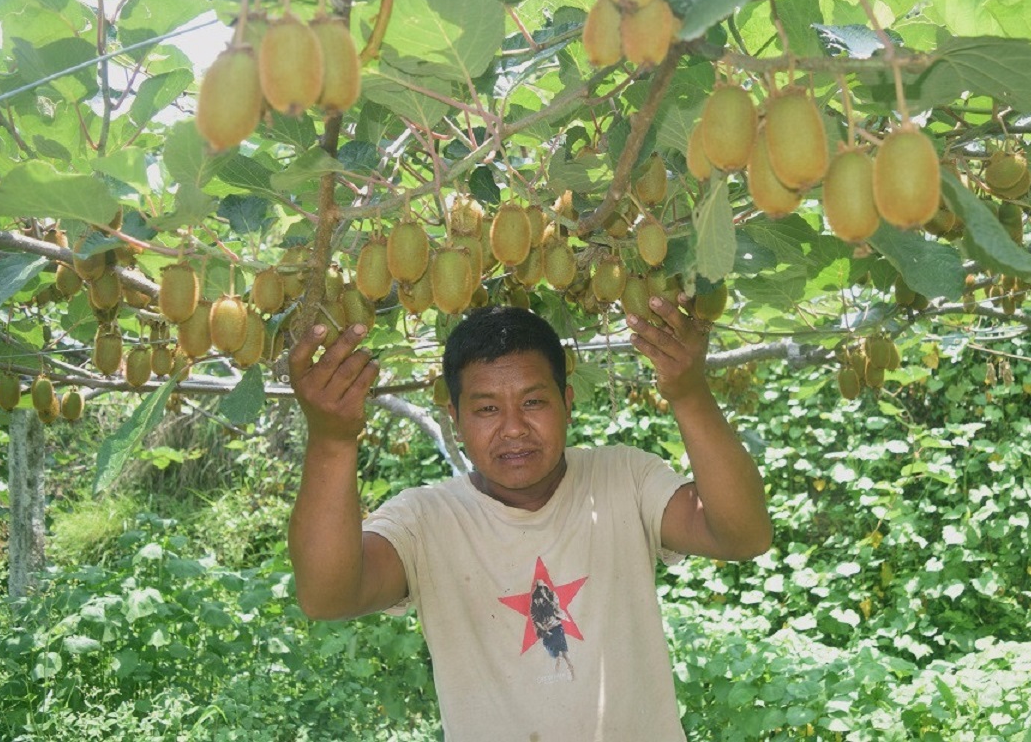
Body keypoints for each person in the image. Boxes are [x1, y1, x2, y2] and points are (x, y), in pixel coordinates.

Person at [288, 294, 772, 741]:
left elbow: (743, 534)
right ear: (455, 418)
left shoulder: (625, 476)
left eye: (534, 402)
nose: (514, 429)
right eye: (486, 409)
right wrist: (331, 442)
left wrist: (689, 393)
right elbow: (327, 596)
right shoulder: (426, 520)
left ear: (567, 402)